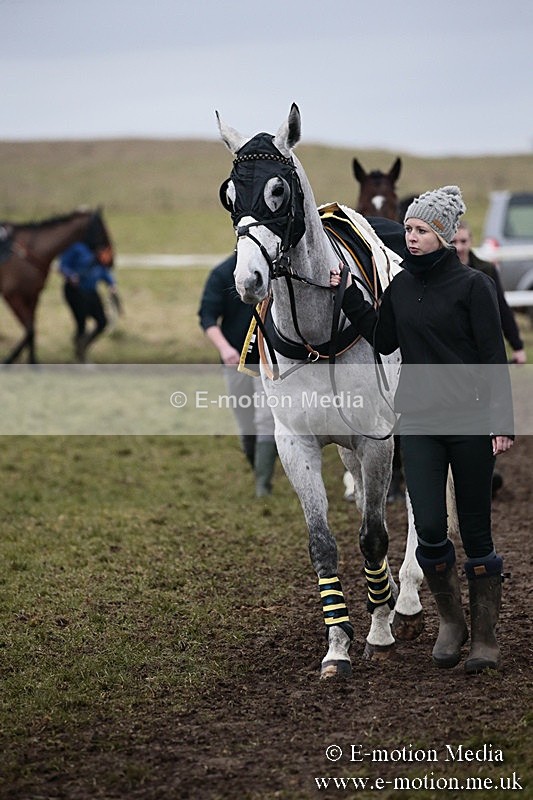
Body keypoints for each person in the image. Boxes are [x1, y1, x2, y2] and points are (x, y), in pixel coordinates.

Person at [330, 185, 514, 674]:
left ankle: (485, 637)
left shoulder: (476, 286)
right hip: (419, 423)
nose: (410, 238)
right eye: (408, 229)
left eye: (420, 230)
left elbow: (494, 357)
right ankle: (451, 623)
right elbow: (383, 337)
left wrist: (502, 421)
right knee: (430, 528)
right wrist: (348, 294)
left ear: (444, 235)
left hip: (472, 422)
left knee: (476, 532)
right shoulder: (400, 288)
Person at [198, 253, 277, 497]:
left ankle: (263, 485)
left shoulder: (276, 272)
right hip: (235, 362)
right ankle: (257, 467)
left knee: (266, 419)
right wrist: (224, 349)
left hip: (269, 360)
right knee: (246, 422)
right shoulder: (222, 273)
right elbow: (207, 317)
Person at [452, 222, 526, 365]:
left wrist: (517, 346)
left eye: (463, 241)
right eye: (453, 242)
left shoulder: (486, 270)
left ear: (471, 241)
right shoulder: (441, 273)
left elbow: (501, 307)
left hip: (482, 342)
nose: (459, 247)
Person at [59, 238, 119, 362]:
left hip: (91, 291)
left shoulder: (100, 253)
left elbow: (104, 271)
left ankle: (83, 345)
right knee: (81, 324)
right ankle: (79, 353)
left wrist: (111, 284)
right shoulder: (77, 248)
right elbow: (63, 266)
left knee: (102, 321)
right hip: (75, 292)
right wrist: (70, 276)